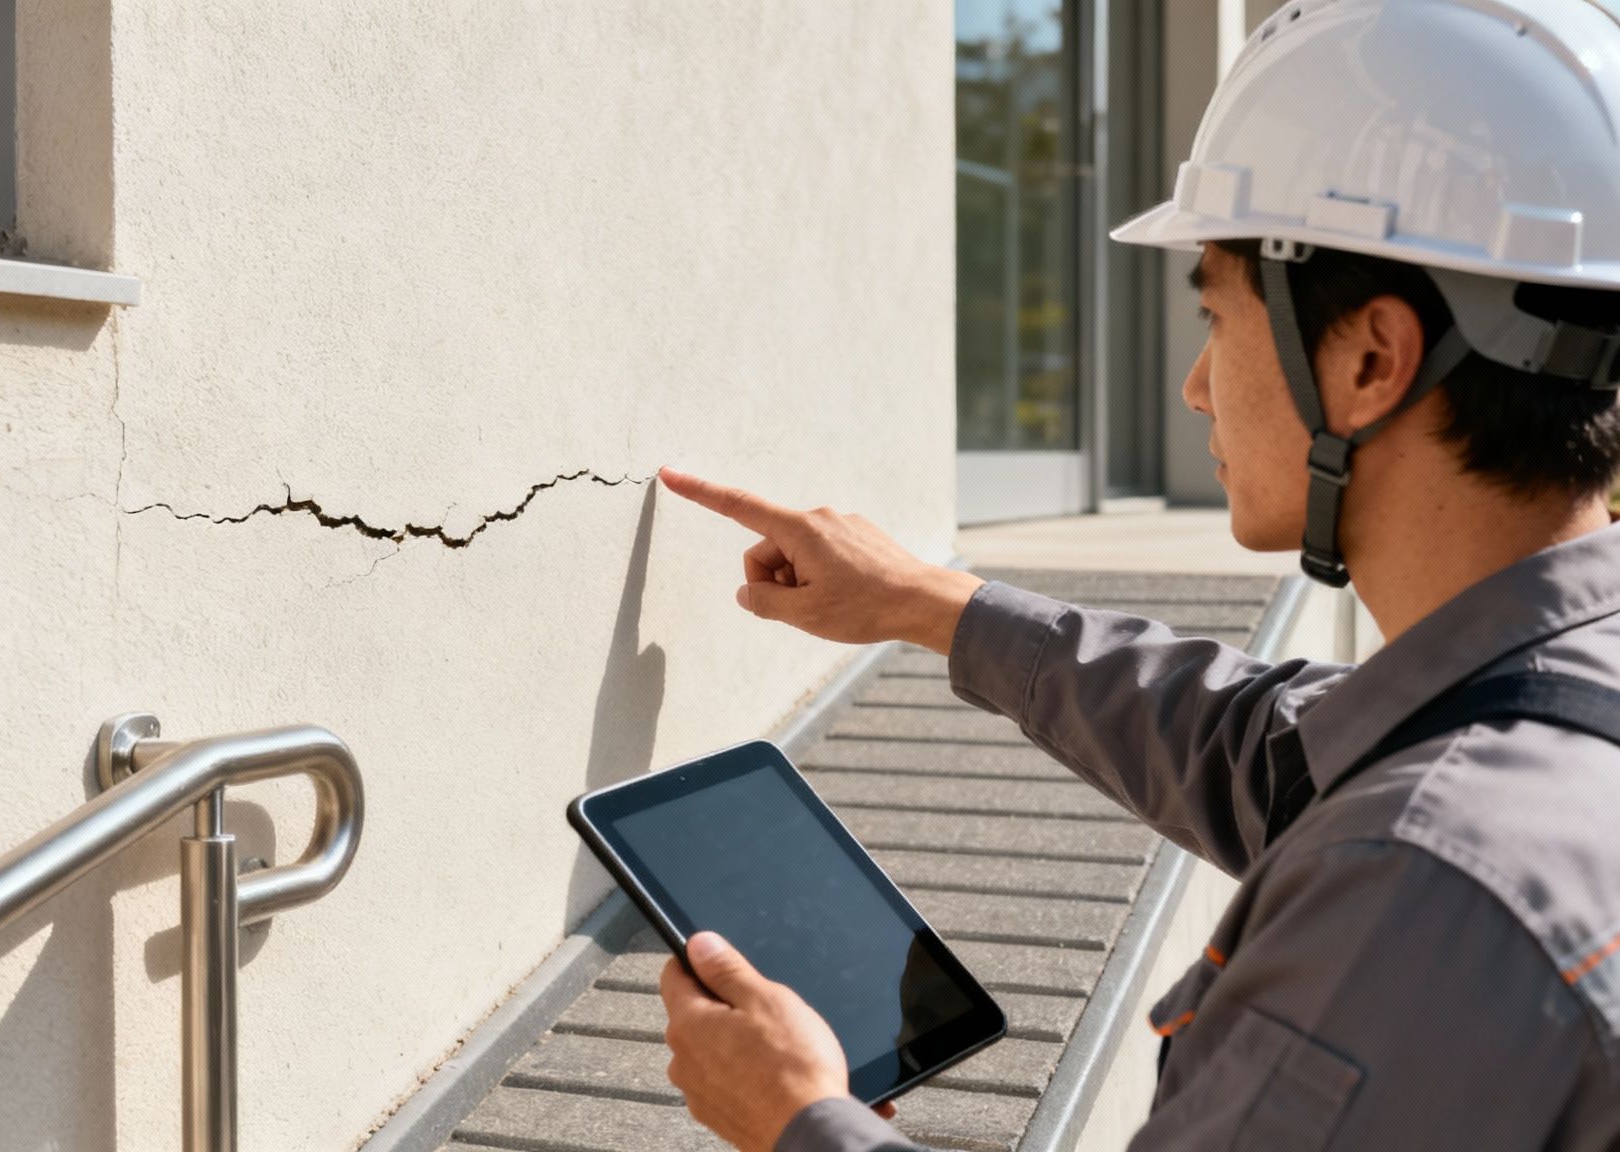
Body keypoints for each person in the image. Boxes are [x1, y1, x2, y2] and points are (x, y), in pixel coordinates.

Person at [651, 1, 1620, 1148]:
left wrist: (797, 1118)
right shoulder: (1539, 696)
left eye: (1214, 315)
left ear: (1368, 359)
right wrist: (921, 600)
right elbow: (1265, 747)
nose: (1194, 387)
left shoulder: (1416, 890)